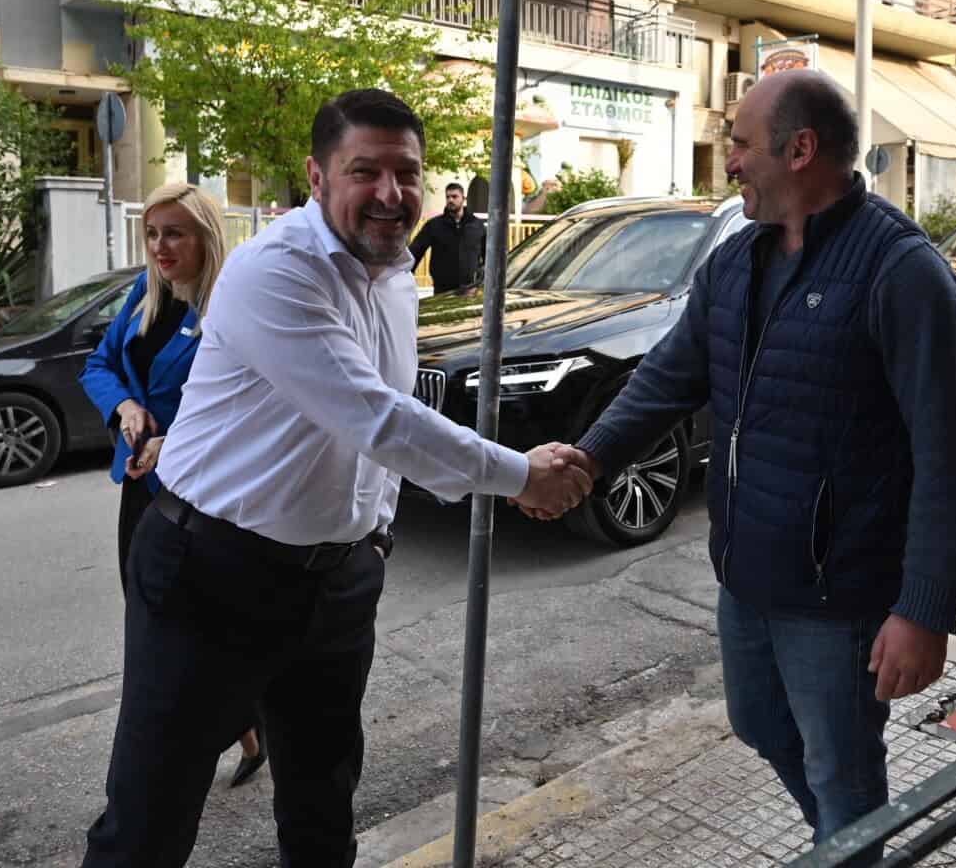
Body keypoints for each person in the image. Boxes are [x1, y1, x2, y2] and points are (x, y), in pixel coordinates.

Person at [81, 89, 592, 868]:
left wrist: (372, 536)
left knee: (322, 810)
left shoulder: (394, 275)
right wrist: (520, 475)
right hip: (211, 575)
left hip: (336, 584)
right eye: (365, 171)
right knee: (148, 824)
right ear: (318, 178)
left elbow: (378, 420)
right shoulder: (274, 271)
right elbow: (376, 418)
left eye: (407, 172)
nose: (391, 193)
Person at [540, 70, 956, 858]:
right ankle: (844, 845)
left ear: (800, 149)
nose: (731, 162)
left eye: (741, 144)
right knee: (760, 726)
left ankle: (847, 846)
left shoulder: (902, 273)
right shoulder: (738, 260)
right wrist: (589, 458)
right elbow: (668, 377)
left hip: (841, 597)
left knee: (844, 774)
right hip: (747, 578)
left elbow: (949, 459)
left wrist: (923, 610)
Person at [78, 183, 268, 788]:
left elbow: (246, 402)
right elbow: (98, 365)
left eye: (176, 233)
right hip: (142, 485)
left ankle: (170, 764)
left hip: (201, 492)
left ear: (207, 237)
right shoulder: (146, 292)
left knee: (187, 628)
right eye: (153, 233)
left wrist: (176, 439)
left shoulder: (229, 306)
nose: (160, 246)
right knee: (148, 615)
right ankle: (246, 729)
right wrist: (126, 406)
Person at [407, 181, 485, 293]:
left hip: (470, 290)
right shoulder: (434, 225)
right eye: (448, 197)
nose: (450, 200)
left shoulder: (476, 225)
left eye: (454, 196)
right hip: (442, 289)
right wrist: (404, 277)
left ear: (464, 199)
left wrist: (482, 278)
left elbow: (488, 255)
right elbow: (416, 251)